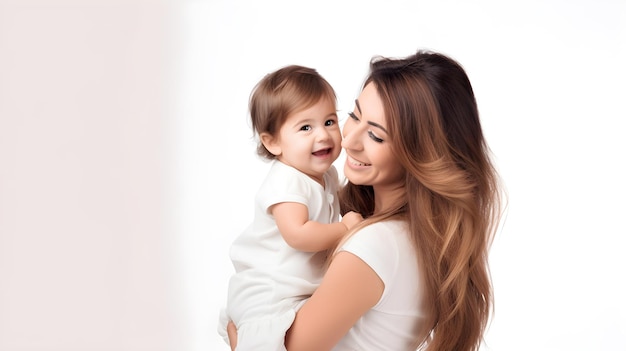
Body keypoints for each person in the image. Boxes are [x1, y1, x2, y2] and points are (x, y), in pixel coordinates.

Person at [227, 50, 503, 350]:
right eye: (353, 116)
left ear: (421, 154)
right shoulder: (419, 237)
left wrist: (233, 331)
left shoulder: (373, 245)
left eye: (376, 136)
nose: (347, 141)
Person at [218, 64, 364, 350]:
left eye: (330, 122)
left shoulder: (325, 176)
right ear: (272, 142)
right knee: (268, 340)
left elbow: (331, 201)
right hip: (269, 290)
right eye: (305, 127)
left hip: (295, 287)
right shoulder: (286, 183)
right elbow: (299, 235)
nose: (322, 135)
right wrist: (344, 228)